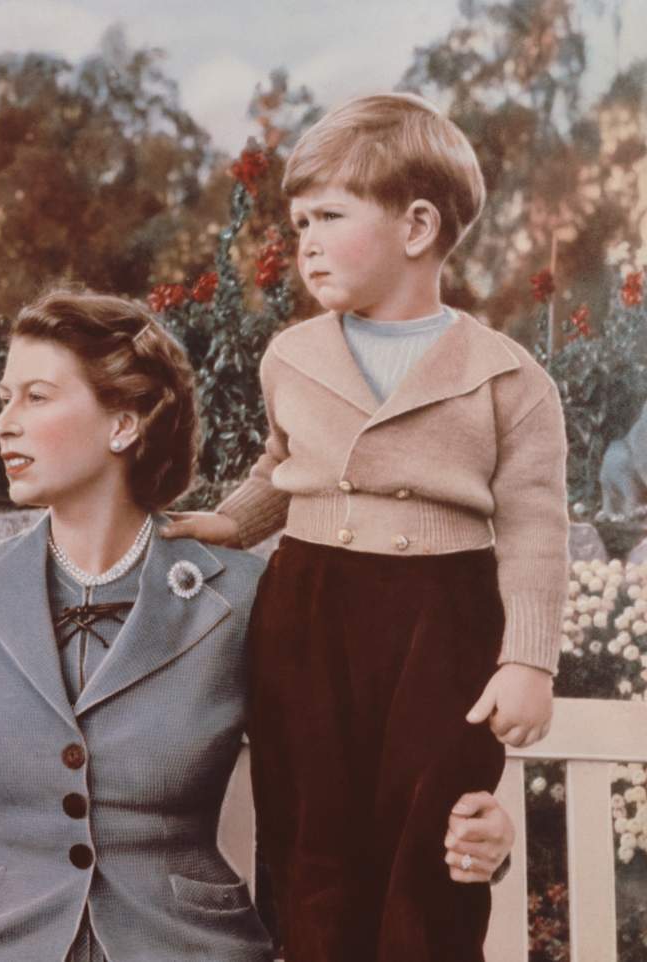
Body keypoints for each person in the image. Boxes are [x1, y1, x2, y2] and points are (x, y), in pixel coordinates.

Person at [0, 288, 518, 961]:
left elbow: (356, 776)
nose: (2, 422)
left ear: (124, 422)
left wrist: (486, 835)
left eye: (36, 397)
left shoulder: (241, 595)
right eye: (3, 398)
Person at [162, 93, 567, 961]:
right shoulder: (292, 356)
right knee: (312, 839)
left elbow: (535, 523)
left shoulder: (509, 377)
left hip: (443, 622)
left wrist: (529, 661)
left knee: (434, 842)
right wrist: (232, 523)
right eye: (299, 222)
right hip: (309, 611)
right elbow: (281, 465)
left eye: (330, 217)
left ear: (417, 226)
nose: (304, 241)